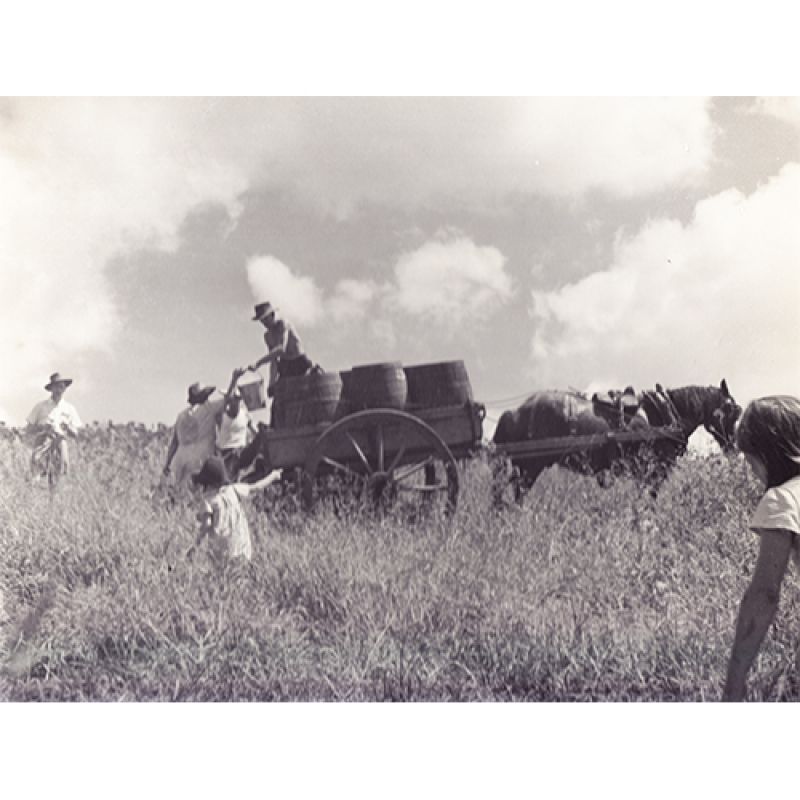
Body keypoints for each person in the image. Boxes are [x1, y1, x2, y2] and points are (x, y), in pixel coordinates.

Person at [723, 395, 800, 701]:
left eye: (749, 459)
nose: (752, 471)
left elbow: (764, 594)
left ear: (766, 454)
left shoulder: (783, 499)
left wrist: (735, 678)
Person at [188, 455, 279, 563]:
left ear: (205, 483)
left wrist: (195, 546)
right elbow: (256, 487)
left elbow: (207, 524)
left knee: (224, 576)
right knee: (241, 574)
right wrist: (273, 476)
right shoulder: (233, 489)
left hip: (222, 550)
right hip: (241, 545)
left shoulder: (208, 500)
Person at [248, 302, 314, 425]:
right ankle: (276, 429)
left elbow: (280, 349)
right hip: (285, 367)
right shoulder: (267, 336)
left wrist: (258, 363)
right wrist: (271, 383)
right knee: (278, 401)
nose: (264, 324)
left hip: (300, 364)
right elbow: (274, 361)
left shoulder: (284, 324)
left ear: (272, 315)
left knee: (306, 397)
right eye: (261, 322)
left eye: (265, 320)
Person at [163, 382, 224, 487]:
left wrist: (167, 463)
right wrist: (235, 379)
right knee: (194, 492)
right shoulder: (209, 409)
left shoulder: (181, 415)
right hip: (199, 459)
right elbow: (227, 400)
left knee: (177, 492)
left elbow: (174, 443)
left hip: (179, 458)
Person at [26, 372, 82, 481]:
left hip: (60, 441)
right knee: (36, 468)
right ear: (51, 388)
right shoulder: (40, 406)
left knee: (60, 472)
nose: (59, 389)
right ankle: (35, 488)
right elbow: (28, 429)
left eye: (62, 386)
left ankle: (54, 495)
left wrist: (67, 428)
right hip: (43, 441)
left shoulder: (69, 408)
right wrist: (42, 428)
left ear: (65, 388)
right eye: (56, 386)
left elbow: (76, 434)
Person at [215, 367, 256, 479]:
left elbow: (254, 431)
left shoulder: (245, 415)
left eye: (236, 399)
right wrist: (234, 379)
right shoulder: (222, 415)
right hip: (226, 453)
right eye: (232, 399)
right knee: (229, 479)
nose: (233, 402)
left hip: (241, 451)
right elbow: (227, 399)